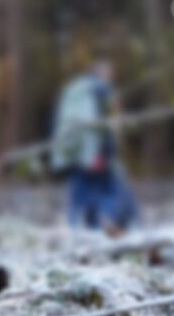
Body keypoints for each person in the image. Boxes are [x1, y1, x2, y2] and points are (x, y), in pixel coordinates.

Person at [50, 59, 140, 231]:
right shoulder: (102, 91)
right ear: (103, 74)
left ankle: (75, 227)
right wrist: (104, 152)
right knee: (108, 192)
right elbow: (109, 125)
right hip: (96, 154)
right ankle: (103, 228)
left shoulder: (75, 89)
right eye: (110, 75)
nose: (111, 79)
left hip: (73, 153)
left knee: (80, 195)